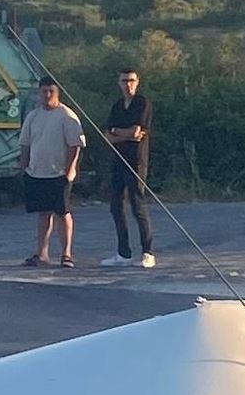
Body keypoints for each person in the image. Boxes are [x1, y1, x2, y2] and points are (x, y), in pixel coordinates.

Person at [19, 76, 86, 267]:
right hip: (36, 172)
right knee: (43, 213)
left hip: (59, 173)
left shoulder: (67, 115)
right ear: (39, 93)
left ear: (57, 93)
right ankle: (42, 254)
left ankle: (66, 254)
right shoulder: (33, 116)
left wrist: (70, 170)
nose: (47, 95)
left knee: (62, 212)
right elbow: (25, 144)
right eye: (44, 91)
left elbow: (75, 145)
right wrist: (24, 167)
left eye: (51, 91)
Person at [99, 68, 156, 267]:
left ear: (137, 82)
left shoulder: (142, 103)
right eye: (124, 81)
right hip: (118, 160)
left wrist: (119, 133)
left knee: (137, 205)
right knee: (116, 206)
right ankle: (123, 253)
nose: (128, 84)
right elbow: (108, 135)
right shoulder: (117, 106)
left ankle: (148, 252)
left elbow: (136, 132)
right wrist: (124, 134)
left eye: (131, 80)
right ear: (119, 83)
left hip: (136, 161)